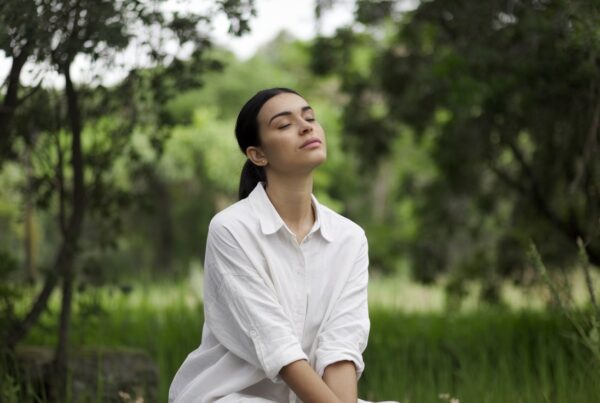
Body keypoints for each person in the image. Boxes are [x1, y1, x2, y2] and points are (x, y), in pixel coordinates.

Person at [169, 88, 395, 403]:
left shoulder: (349, 237)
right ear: (257, 154)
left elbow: (341, 346)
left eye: (310, 117)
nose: (306, 126)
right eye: (284, 124)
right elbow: (277, 346)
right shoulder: (232, 229)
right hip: (229, 396)